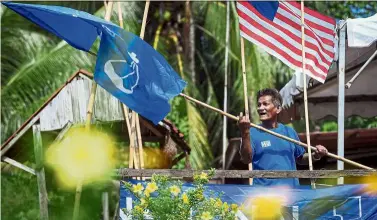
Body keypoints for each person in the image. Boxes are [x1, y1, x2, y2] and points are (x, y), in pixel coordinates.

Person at [238, 88, 328, 187]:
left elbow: (300, 158)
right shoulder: (252, 132)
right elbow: (246, 159)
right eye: (259, 105)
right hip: (264, 196)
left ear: (278, 108)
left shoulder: (289, 132)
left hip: (291, 194)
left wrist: (316, 155)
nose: (260, 108)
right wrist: (244, 133)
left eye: (265, 104)